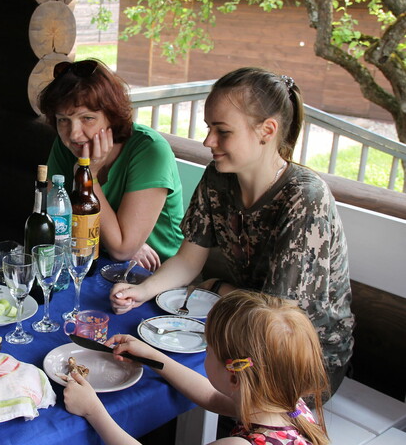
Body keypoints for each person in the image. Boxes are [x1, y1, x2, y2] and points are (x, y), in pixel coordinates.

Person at [110, 67, 354, 394]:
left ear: (267, 130)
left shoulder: (305, 199)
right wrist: (144, 290)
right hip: (246, 330)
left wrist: (220, 287)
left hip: (300, 359)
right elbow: (188, 261)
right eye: (209, 128)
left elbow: (277, 315)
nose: (208, 141)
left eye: (222, 131)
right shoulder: (219, 177)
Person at [64, 290, 330, 445]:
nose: (205, 352)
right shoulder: (286, 404)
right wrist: (155, 358)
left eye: (208, 349)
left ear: (235, 379)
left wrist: (92, 410)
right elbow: (213, 397)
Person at [39, 59, 184, 271]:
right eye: (63, 120)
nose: (73, 133)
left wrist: (89, 175)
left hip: (158, 273)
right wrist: (120, 241)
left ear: (111, 117)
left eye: (87, 118)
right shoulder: (67, 145)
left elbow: (121, 249)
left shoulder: (150, 151)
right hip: (92, 259)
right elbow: (55, 223)